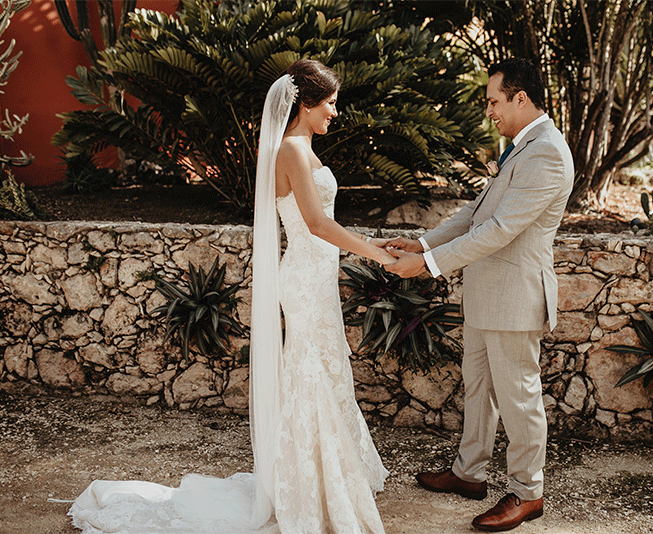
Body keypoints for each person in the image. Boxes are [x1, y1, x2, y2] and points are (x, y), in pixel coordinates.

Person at [67, 59, 394, 534]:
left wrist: (370, 246)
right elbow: (318, 225)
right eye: (330, 104)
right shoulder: (291, 152)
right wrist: (378, 254)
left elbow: (324, 223)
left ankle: (327, 477)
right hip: (303, 277)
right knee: (311, 370)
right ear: (305, 105)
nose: (335, 113)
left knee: (326, 366)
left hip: (317, 274)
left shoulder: (302, 147)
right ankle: (307, 486)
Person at [384, 57, 574, 532]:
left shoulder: (547, 151)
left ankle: (528, 493)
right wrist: (425, 242)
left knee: (520, 398)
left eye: (494, 101)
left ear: (521, 98)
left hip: (514, 297)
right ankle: (469, 473)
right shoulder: (521, 146)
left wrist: (428, 266)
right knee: (479, 390)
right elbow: (478, 209)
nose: (489, 110)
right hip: (487, 294)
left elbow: (501, 229)